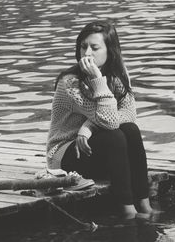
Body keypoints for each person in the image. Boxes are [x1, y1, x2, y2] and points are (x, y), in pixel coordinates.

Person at [46, 20, 153, 219]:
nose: (87, 54)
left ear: (110, 51)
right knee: (115, 136)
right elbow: (110, 122)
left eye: (94, 48)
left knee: (130, 130)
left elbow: (129, 115)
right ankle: (128, 211)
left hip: (94, 146)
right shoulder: (70, 83)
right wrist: (97, 79)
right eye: (83, 47)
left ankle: (145, 206)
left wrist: (87, 127)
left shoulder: (119, 74)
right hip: (65, 154)